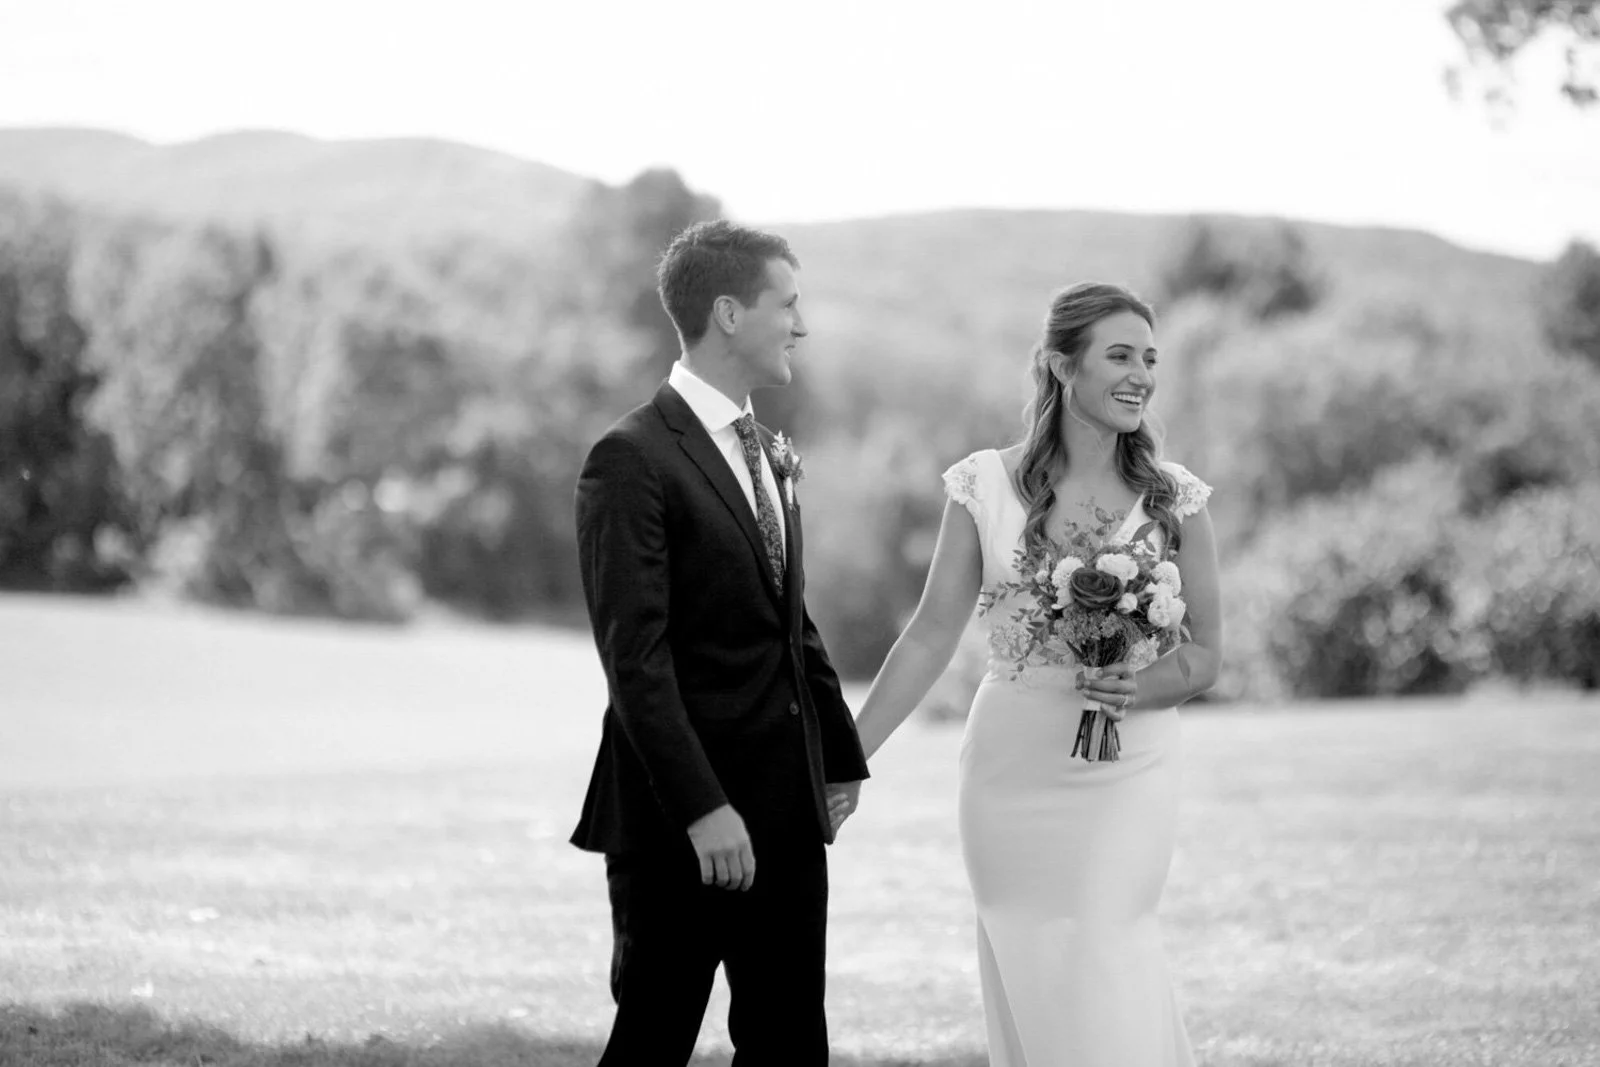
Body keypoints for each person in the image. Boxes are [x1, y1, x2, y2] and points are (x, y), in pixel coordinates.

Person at [841, 282, 1222, 1066]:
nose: (1140, 375)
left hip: (1130, 769)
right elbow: (927, 638)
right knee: (1034, 966)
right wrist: (845, 760)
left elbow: (1207, 653)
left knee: (1107, 946)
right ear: (1059, 365)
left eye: (1149, 359)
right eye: (1119, 355)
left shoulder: (1174, 498)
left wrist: (1137, 686)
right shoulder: (982, 485)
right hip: (1011, 767)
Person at [570, 219, 869, 1066]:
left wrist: (837, 757)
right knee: (652, 1042)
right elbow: (636, 660)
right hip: (677, 823)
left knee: (788, 1047)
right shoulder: (628, 458)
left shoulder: (764, 452)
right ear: (730, 313)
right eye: (789, 304)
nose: (802, 326)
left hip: (783, 812)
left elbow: (789, 620)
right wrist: (705, 810)